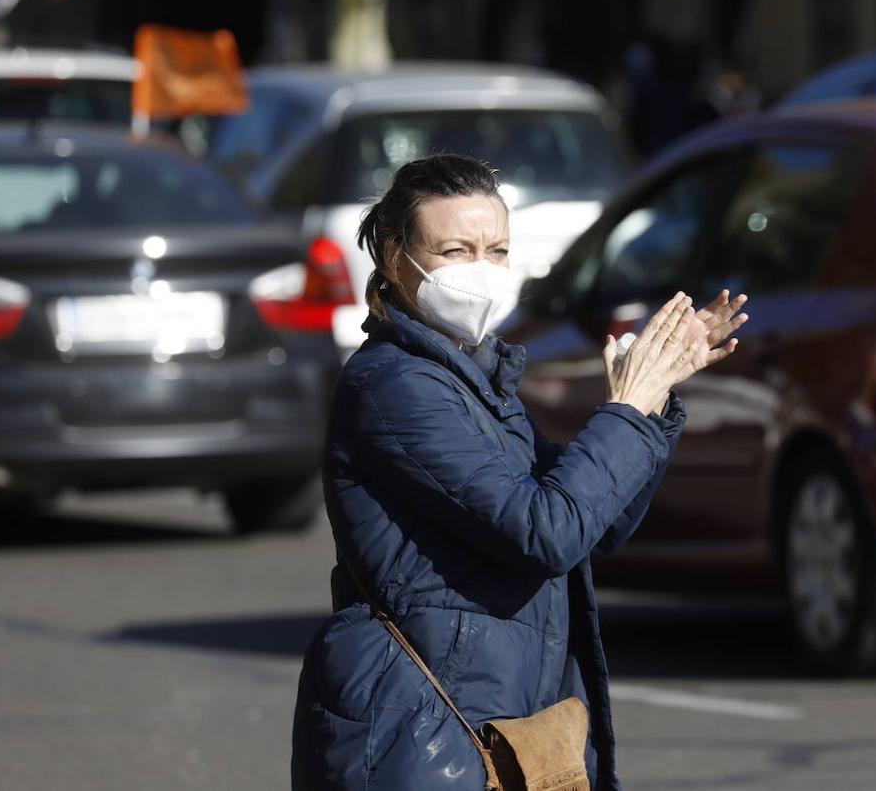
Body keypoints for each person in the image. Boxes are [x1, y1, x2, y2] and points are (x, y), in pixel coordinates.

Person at [290, 153, 747, 790]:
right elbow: (547, 531)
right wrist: (627, 410)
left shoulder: (472, 380)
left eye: (497, 250)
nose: (482, 269)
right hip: (422, 739)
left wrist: (655, 396)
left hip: (499, 724)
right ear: (396, 258)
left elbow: (595, 522)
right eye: (456, 249)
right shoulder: (394, 386)